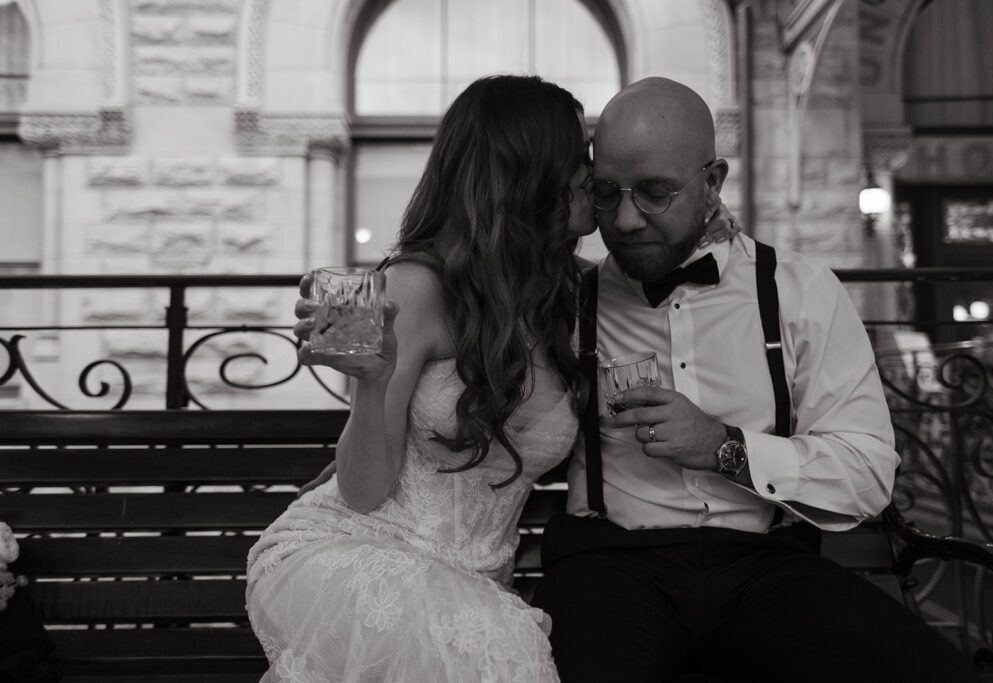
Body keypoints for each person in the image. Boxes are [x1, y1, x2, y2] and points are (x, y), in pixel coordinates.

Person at [247, 74, 737, 683]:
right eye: (576, 155)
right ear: (530, 175)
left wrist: (710, 216)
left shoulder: (576, 295)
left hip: (475, 587)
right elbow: (362, 493)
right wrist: (369, 383)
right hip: (351, 551)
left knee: (494, 644)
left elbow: (697, 278)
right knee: (503, 655)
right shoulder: (408, 288)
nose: (591, 171)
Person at [530, 76, 981, 683]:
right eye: (608, 193)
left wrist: (725, 447)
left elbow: (868, 472)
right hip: (612, 567)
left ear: (712, 182)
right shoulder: (568, 300)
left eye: (656, 193)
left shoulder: (800, 291)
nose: (628, 220)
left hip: (764, 567)